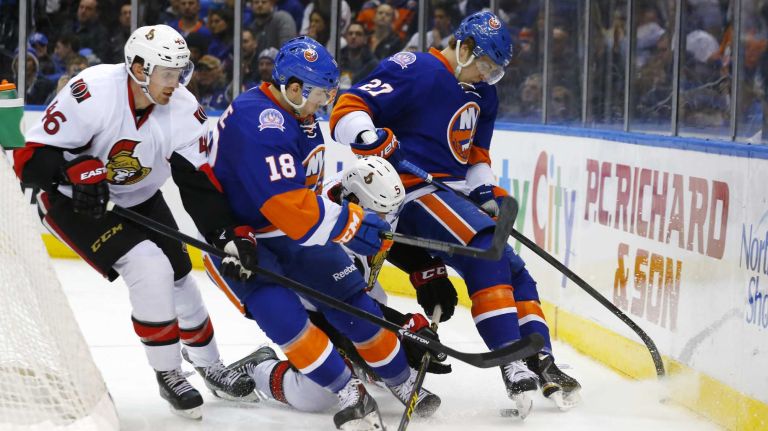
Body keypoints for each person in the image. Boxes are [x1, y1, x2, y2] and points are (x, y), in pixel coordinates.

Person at [330, 11, 582, 418]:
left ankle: (541, 359)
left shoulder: (485, 95)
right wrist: (368, 136)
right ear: (464, 49)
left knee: (516, 271)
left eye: (495, 71)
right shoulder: (416, 68)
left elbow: (476, 153)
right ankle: (510, 358)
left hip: (451, 195)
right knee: (486, 247)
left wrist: (483, 190)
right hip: (408, 196)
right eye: (485, 66)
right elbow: (348, 106)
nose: (488, 76)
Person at [13, 24, 257, 420]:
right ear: (139, 68)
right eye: (167, 72)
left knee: (180, 275)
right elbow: (28, 162)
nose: (175, 83)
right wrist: (72, 170)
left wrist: (227, 233)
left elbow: (196, 182)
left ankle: (210, 365)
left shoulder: (181, 108)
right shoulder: (91, 92)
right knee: (149, 266)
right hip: (72, 203)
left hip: (140, 197)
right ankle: (168, 372)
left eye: (180, 72)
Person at [204, 36, 441, 430]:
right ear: (293, 88)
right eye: (321, 94)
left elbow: (304, 203)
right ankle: (335, 388)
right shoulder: (261, 120)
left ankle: (398, 380)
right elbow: (283, 203)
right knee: (286, 319)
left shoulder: (301, 116)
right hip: (242, 242)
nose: (326, 103)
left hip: (294, 232)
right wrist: (347, 224)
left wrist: (398, 326)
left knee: (353, 302)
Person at [219, 156, 454, 414]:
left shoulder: (365, 199)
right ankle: (261, 365)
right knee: (317, 395)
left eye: (392, 212)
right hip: (311, 308)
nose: (387, 221)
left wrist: (423, 269)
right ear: (352, 203)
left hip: (352, 298)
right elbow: (346, 307)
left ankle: (374, 365)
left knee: (385, 340)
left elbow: (385, 238)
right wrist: (401, 328)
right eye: (381, 214)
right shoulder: (324, 231)